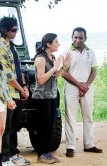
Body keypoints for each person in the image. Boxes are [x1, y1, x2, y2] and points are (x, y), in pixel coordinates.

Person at [62, 27, 102, 158]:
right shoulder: (67, 52)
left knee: (88, 116)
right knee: (70, 117)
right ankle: (70, 146)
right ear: (72, 37)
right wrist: (79, 85)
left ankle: (89, 144)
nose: (78, 40)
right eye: (75, 37)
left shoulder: (90, 52)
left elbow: (94, 70)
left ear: (85, 38)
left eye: (80, 37)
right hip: (72, 88)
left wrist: (86, 85)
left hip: (87, 88)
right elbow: (63, 73)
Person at [32, 33, 70, 164]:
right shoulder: (40, 59)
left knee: (51, 124)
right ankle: (41, 153)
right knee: (44, 125)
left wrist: (63, 66)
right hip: (42, 96)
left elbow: (55, 76)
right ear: (48, 44)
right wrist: (55, 67)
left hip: (52, 94)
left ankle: (46, 152)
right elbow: (41, 79)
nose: (58, 44)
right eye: (56, 42)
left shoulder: (51, 57)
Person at [0, 17, 30, 166]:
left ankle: (13, 153)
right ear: (5, 30)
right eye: (13, 29)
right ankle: (5, 157)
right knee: (6, 127)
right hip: (8, 92)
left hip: (16, 91)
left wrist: (24, 87)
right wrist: (20, 88)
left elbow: (18, 70)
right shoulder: (1, 46)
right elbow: (8, 75)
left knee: (15, 125)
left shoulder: (13, 47)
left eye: (16, 29)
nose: (16, 32)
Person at [0, 26, 16, 166]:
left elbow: (2, 81)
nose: (0, 40)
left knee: (0, 131)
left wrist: (8, 98)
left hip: (0, 99)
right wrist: (7, 98)